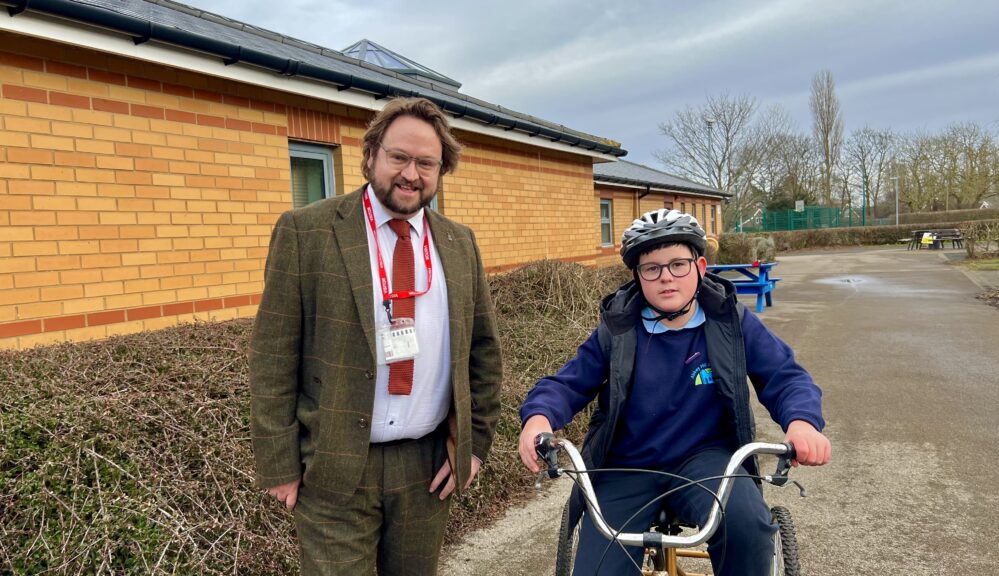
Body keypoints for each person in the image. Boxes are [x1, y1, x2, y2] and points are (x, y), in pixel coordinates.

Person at [249, 97, 503, 576]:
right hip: (334, 465)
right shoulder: (308, 232)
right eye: (398, 157)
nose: (411, 173)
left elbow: (483, 354)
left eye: (426, 162)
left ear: (440, 169)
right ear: (370, 156)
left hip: (427, 469)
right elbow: (272, 356)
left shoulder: (459, 242)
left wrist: (474, 447)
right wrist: (279, 464)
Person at [517, 209, 830, 576]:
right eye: (651, 268)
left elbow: (785, 376)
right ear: (636, 276)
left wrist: (802, 422)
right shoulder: (618, 330)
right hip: (626, 464)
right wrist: (539, 416)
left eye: (678, 264)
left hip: (708, 461)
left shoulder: (730, 322)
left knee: (747, 529)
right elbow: (567, 383)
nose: (666, 277)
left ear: (699, 266)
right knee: (597, 569)